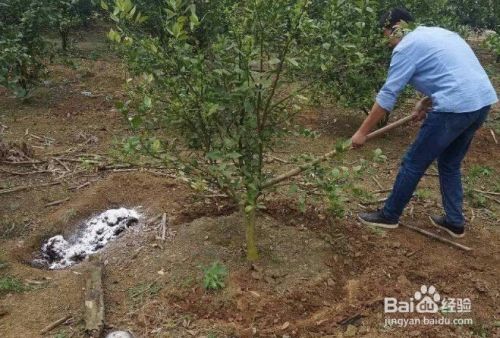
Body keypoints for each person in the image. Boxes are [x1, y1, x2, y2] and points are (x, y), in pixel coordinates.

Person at [351, 8, 498, 238]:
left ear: (396, 26)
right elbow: (457, 74)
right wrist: (426, 102)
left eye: (386, 32)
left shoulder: (405, 48)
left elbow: (388, 94)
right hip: (481, 103)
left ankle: (389, 215)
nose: (386, 39)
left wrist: (361, 132)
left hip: (454, 108)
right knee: (450, 163)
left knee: (413, 162)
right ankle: (454, 221)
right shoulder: (439, 33)